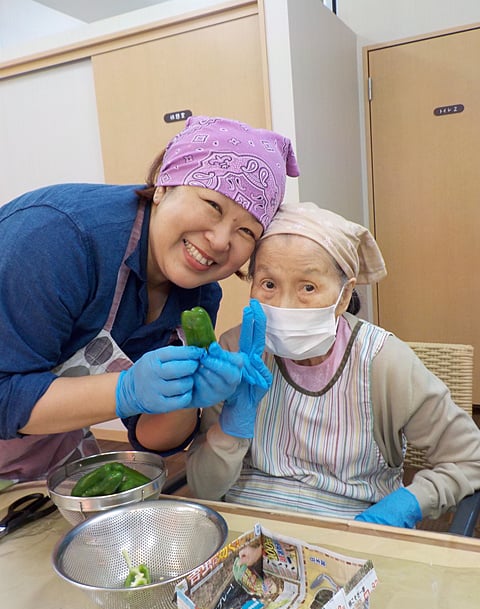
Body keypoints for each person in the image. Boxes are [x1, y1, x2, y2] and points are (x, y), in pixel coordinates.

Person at [0, 115, 299, 481]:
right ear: (162, 186)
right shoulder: (57, 240)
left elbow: (151, 437)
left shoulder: (199, 295)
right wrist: (126, 389)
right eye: (212, 205)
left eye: (246, 231)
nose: (221, 241)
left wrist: (191, 396)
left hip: (48, 449)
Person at [187, 202, 480, 528]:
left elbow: (469, 459)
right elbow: (205, 489)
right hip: (247, 525)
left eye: (308, 287)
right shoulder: (234, 351)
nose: (285, 306)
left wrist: (410, 502)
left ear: (343, 296)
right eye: (268, 284)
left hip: (353, 528)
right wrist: (230, 428)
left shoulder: (384, 363)